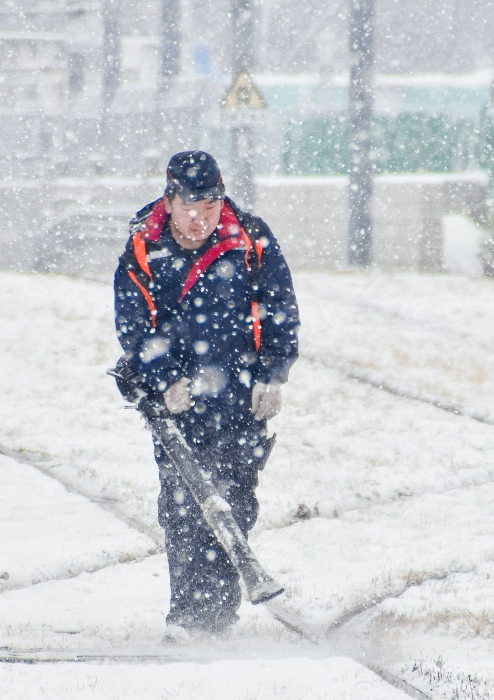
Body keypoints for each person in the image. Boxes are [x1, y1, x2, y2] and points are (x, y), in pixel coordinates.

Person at [112, 150, 299, 640]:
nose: (201, 220)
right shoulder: (143, 247)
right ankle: (188, 616)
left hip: (241, 401)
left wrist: (273, 376)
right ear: (170, 200)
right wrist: (165, 377)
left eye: (211, 208)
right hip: (179, 406)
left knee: (234, 506)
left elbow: (280, 309)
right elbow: (134, 326)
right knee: (184, 506)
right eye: (191, 208)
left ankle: (215, 618)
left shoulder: (251, 238)